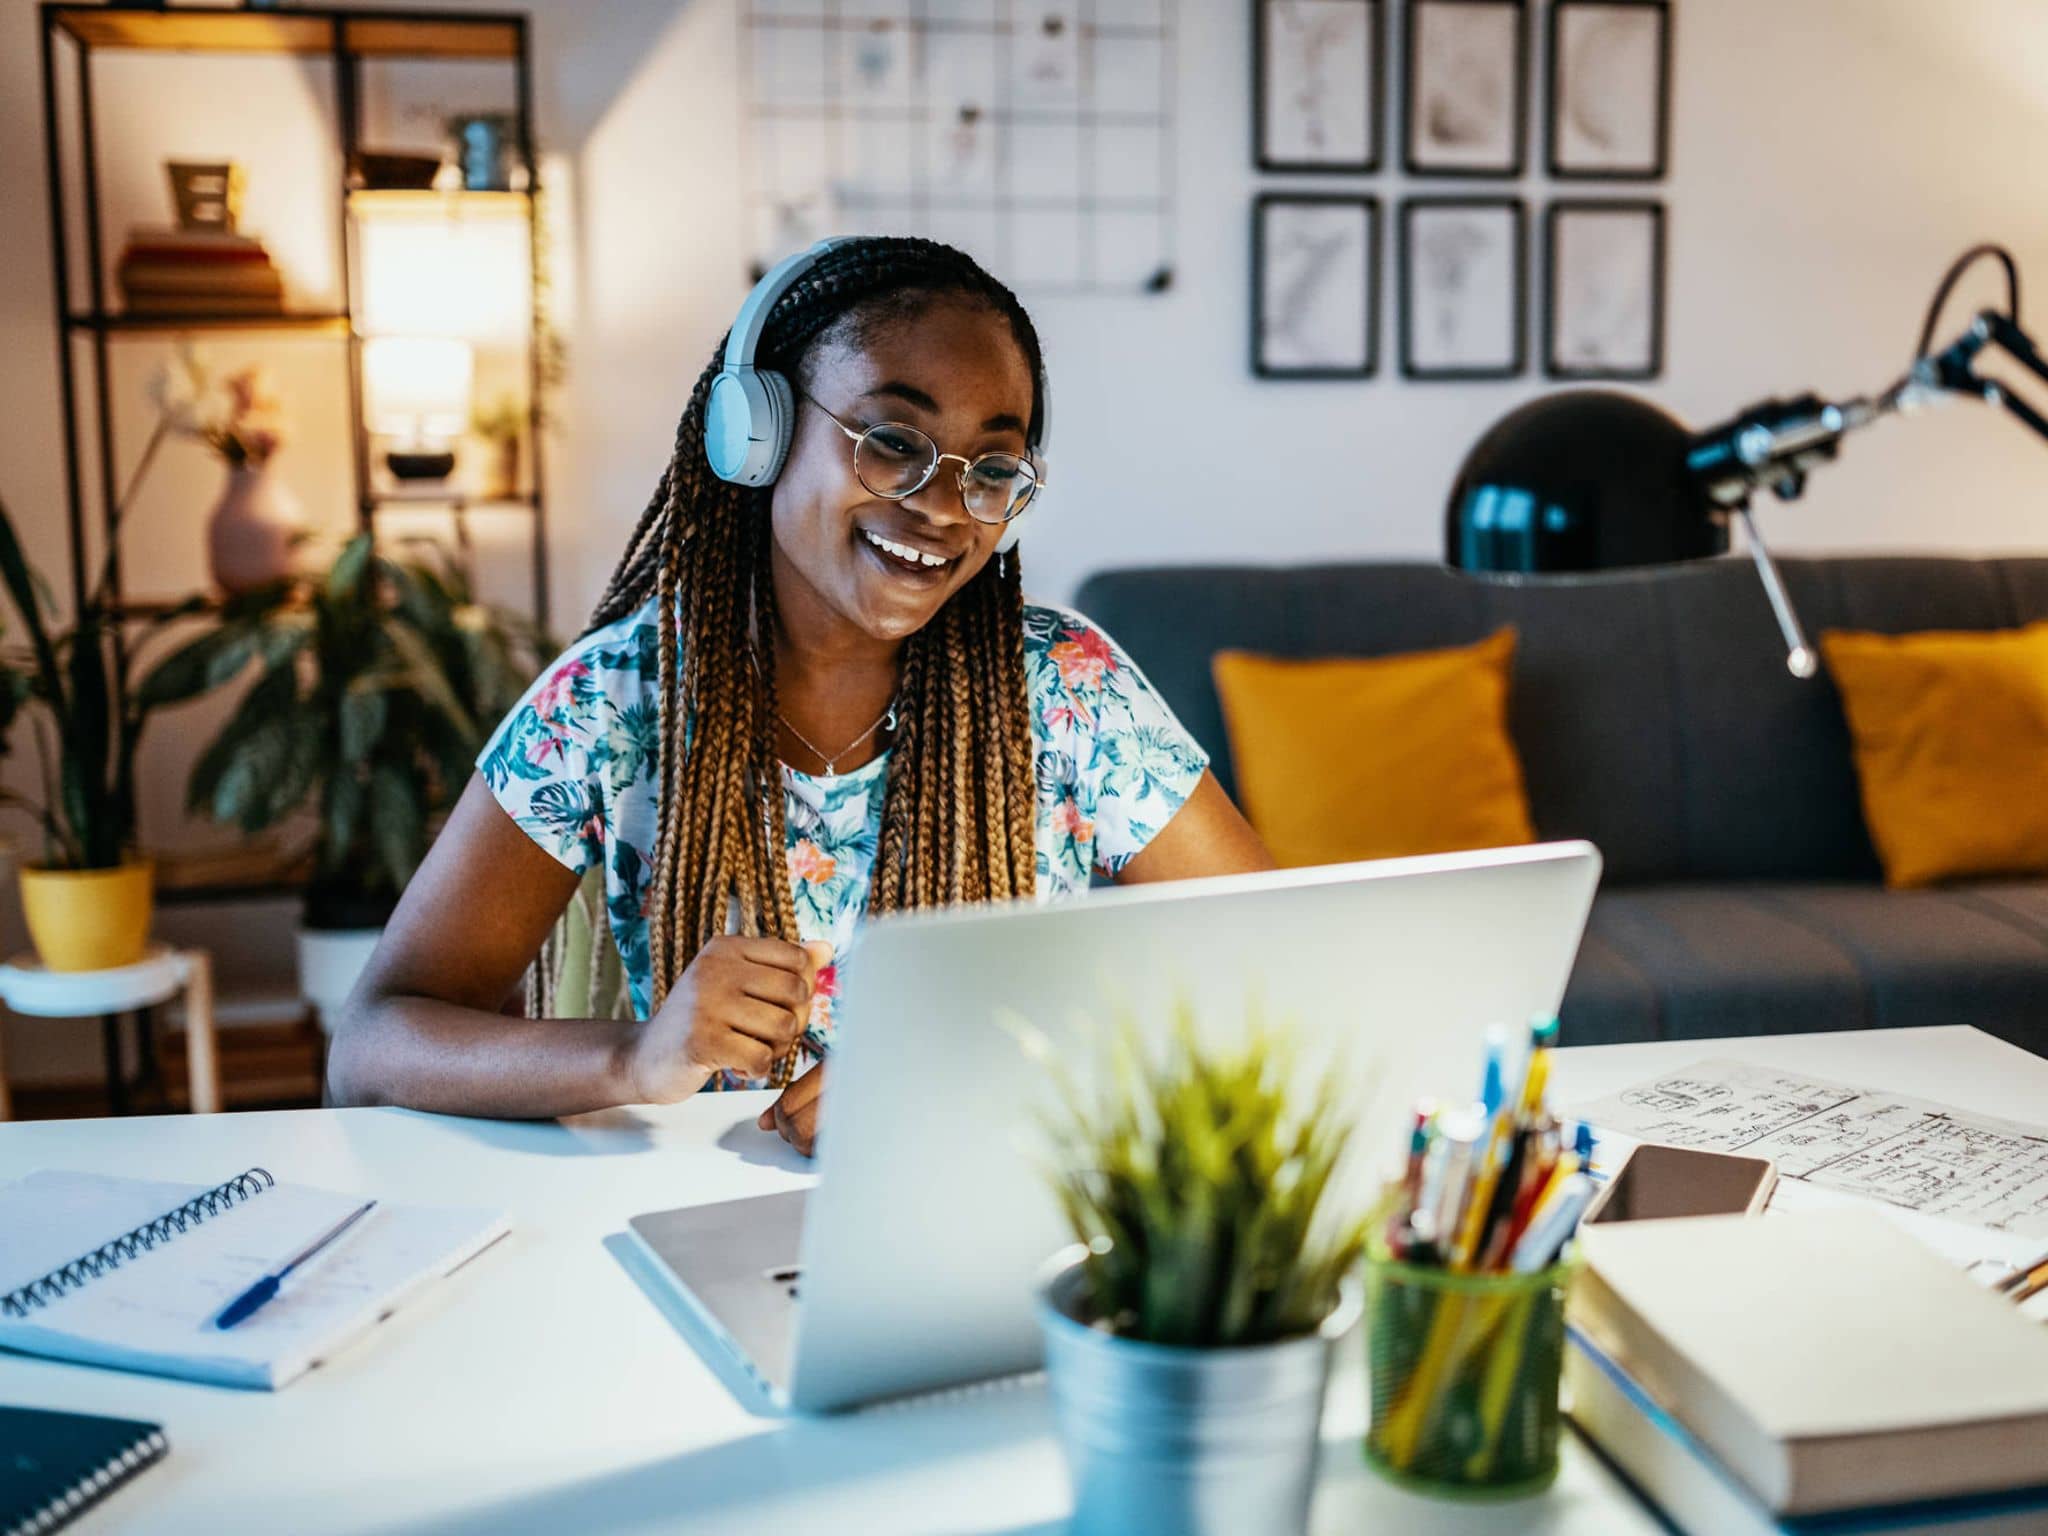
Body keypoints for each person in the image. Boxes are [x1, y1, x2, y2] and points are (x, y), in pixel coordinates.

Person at [329, 236, 1273, 1152]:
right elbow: (371, 1046)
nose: (943, 506)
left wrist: (972, 1071)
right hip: (692, 1219)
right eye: (893, 442)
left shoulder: (1070, 689)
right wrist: (634, 1058)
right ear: (758, 433)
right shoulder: (614, 700)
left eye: (990, 469)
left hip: (989, 1214)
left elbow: (1285, 971)